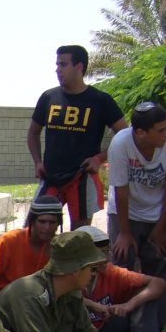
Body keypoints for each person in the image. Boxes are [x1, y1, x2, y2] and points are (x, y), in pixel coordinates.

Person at [106, 101, 166, 330]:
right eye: (161, 130)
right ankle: (119, 327)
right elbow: (120, 189)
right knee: (122, 267)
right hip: (125, 212)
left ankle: (154, 330)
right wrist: (124, 232)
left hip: (160, 212)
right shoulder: (120, 143)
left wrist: (161, 229)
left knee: (160, 268)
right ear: (141, 132)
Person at [28, 45, 126, 229]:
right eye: (57, 65)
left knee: (79, 234)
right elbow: (33, 132)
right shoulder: (48, 97)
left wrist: (99, 158)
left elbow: (124, 135)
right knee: (33, 229)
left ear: (79, 67)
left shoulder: (101, 100)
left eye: (63, 64)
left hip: (82, 176)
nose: (58, 70)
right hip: (50, 176)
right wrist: (37, 162)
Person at [0, 231, 114, 332]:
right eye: (92, 268)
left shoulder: (71, 292)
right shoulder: (31, 296)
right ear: (75, 270)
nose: (94, 274)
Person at [77, 226, 166, 332]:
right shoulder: (68, 275)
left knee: (146, 295)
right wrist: (92, 305)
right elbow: (60, 295)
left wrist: (129, 304)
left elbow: (159, 283)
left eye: (107, 251)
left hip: (107, 330)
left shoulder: (110, 271)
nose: (106, 258)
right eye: (100, 253)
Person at [0, 196, 62, 303]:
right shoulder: (8, 240)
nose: (47, 227)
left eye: (52, 223)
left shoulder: (60, 247)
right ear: (32, 221)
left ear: (58, 224)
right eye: (42, 222)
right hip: (6, 301)